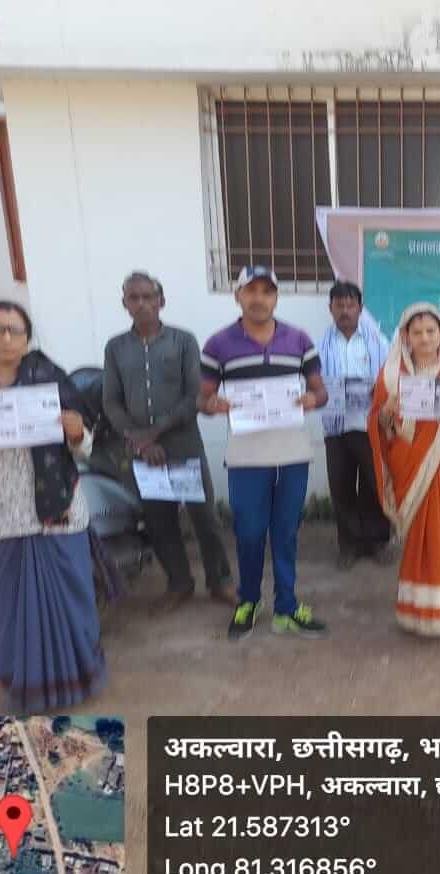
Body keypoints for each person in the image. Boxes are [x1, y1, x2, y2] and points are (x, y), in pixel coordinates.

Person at [0, 300, 107, 712]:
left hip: (59, 515)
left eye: (15, 330)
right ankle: (23, 687)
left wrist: (78, 434)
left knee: (72, 603)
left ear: (27, 338)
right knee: (12, 611)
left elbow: (86, 448)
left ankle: (79, 681)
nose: (7, 338)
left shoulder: (53, 382)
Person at [199, 265, 329, 641]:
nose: (259, 298)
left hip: (292, 453)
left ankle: (287, 606)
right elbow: (201, 399)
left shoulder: (299, 339)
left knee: (286, 532)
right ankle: (249, 601)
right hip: (246, 456)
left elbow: (321, 392)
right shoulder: (218, 344)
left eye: (267, 291)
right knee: (250, 533)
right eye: (250, 290)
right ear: (237, 295)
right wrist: (213, 405)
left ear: (276, 297)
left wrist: (312, 399)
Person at [103, 271, 235, 614]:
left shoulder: (183, 341)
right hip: (142, 451)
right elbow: (111, 402)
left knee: (204, 517)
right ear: (124, 304)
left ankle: (220, 581)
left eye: (148, 296)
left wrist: (155, 432)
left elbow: (195, 395)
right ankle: (179, 583)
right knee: (159, 521)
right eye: (134, 298)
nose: (142, 304)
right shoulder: (116, 348)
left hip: (183, 443)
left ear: (161, 301)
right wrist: (142, 442)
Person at [369, 303, 440, 637]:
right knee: (422, 537)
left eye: (431, 331)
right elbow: (379, 423)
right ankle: (419, 614)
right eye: (416, 332)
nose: (424, 338)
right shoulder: (391, 374)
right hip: (410, 461)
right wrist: (386, 412)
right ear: (405, 337)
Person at [318, 281, 393, 569]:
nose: (345, 311)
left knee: (375, 485)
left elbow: (391, 378)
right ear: (330, 309)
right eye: (339, 305)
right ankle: (349, 545)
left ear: (360, 308)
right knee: (342, 487)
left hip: (370, 425)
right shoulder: (320, 346)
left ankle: (377, 542)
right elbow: (312, 382)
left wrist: (379, 390)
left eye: (350, 305)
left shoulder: (378, 342)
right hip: (335, 427)